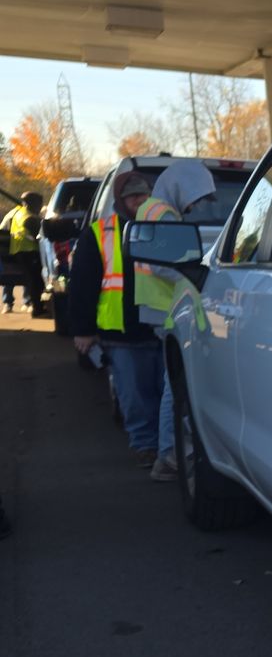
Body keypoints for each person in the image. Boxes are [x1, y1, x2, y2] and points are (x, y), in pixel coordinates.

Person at [69, 172, 163, 467]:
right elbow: (82, 285)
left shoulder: (163, 227)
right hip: (121, 333)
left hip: (161, 329)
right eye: (132, 195)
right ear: (120, 199)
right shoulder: (99, 233)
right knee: (134, 396)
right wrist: (83, 330)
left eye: (143, 194)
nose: (139, 200)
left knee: (165, 396)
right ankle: (145, 446)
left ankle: (167, 448)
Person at [134, 162, 216, 482]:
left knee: (173, 382)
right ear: (183, 187)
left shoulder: (150, 208)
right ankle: (169, 456)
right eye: (195, 198)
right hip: (165, 305)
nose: (195, 207)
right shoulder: (164, 214)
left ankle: (167, 455)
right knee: (175, 385)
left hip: (155, 305)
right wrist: (196, 275)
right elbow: (163, 264)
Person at [1, 192, 44, 314]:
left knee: (28, 278)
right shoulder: (29, 217)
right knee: (35, 279)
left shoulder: (16, 213)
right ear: (33, 204)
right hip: (29, 251)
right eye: (39, 205)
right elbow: (39, 235)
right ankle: (36, 307)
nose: (40, 208)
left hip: (15, 250)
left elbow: (2, 229)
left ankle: (12, 303)